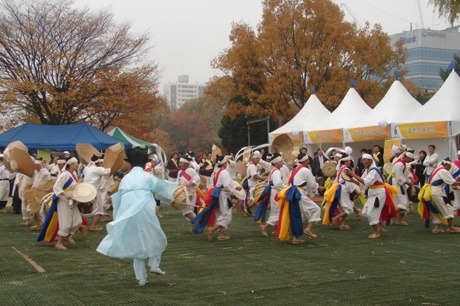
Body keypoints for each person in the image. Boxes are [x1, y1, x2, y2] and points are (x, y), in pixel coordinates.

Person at [97, 147, 173, 286]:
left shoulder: (126, 178)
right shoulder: (147, 176)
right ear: (145, 163)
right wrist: (172, 197)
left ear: (130, 163)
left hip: (128, 211)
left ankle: (141, 278)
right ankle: (154, 264)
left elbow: (119, 196)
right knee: (156, 234)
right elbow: (162, 190)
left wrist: (119, 214)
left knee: (135, 242)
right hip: (144, 209)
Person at [348, 154, 397, 239]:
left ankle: (376, 232)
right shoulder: (367, 170)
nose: (363, 162)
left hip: (379, 194)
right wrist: (351, 179)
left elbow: (366, 182)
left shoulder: (374, 170)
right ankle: (381, 222)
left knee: (371, 213)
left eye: (365, 160)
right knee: (365, 212)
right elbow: (362, 183)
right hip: (373, 193)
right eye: (362, 160)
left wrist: (352, 174)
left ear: (370, 160)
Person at [204, 155, 242, 241]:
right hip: (223, 195)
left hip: (217, 194)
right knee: (226, 215)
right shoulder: (224, 172)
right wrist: (236, 188)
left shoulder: (216, 171)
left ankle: (221, 234)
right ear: (224, 163)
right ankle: (212, 230)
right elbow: (227, 185)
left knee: (220, 214)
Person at [418, 158, 460, 233]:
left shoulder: (436, 169)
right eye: (449, 167)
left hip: (430, 192)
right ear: (446, 165)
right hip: (436, 192)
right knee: (448, 209)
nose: (449, 169)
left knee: (435, 209)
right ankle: (451, 228)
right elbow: (453, 183)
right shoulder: (443, 171)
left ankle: (436, 228)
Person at [53, 157, 83, 250]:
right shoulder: (64, 175)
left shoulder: (74, 174)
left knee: (78, 221)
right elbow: (57, 187)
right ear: (71, 164)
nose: (77, 165)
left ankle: (67, 236)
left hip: (73, 200)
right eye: (75, 163)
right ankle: (59, 243)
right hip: (64, 201)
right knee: (65, 222)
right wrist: (64, 193)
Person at [258, 153, 285, 237]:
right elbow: (277, 184)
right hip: (276, 193)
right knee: (277, 212)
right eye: (280, 161)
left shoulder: (274, 170)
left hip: (274, 192)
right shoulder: (276, 171)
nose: (282, 163)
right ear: (276, 163)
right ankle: (264, 227)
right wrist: (286, 188)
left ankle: (276, 230)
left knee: (276, 211)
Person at [83, 154, 111, 231]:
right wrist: (113, 164)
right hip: (94, 191)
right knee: (99, 209)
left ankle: (82, 225)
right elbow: (108, 171)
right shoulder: (97, 169)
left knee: (84, 208)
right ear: (98, 163)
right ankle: (93, 226)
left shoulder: (86, 169)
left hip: (85, 190)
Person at [389, 152, 415, 225]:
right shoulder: (399, 164)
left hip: (400, 184)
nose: (410, 160)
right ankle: (389, 217)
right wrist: (408, 183)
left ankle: (399, 220)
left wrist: (410, 178)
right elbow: (399, 178)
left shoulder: (403, 163)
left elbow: (406, 173)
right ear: (407, 157)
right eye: (410, 159)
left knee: (404, 203)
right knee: (403, 203)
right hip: (397, 184)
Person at [244, 150, 268, 215]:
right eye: (257, 158)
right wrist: (263, 178)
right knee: (255, 199)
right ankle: (247, 209)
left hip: (254, 183)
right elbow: (254, 176)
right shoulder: (252, 166)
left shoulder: (255, 165)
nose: (258, 160)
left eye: (258, 158)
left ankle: (247, 209)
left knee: (255, 199)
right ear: (254, 158)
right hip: (252, 183)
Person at [177, 156, 200, 221]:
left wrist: (188, 186)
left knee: (188, 212)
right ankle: (197, 224)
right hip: (183, 194)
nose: (180, 164)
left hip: (191, 193)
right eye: (180, 163)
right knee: (186, 212)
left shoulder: (191, 171)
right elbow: (177, 182)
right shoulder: (179, 172)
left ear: (186, 164)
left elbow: (197, 179)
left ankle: (198, 224)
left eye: (181, 163)